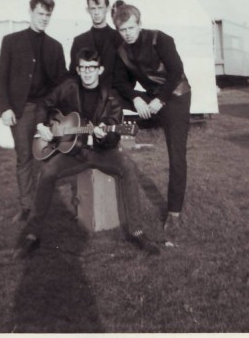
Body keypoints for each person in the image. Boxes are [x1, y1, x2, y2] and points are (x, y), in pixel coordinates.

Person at [17, 48, 160, 257]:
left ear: (99, 69)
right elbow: (44, 104)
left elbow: (114, 131)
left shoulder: (111, 98)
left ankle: (137, 231)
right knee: (47, 172)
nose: (87, 73)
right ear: (78, 69)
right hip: (73, 152)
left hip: (101, 152)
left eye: (91, 68)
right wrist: (41, 125)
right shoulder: (68, 88)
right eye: (83, 68)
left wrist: (104, 135)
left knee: (128, 167)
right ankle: (32, 235)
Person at [112, 3, 192, 243]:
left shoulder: (160, 39)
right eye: (122, 29)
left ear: (139, 24)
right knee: (111, 95)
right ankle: (110, 139)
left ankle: (174, 214)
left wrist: (160, 100)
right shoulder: (122, 51)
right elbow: (119, 82)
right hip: (151, 99)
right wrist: (136, 97)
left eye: (131, 27)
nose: (127, 33)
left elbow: (176, 71)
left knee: (176, 156)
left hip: (176, 96)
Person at [0, 0, 68, 223]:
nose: (44, 19)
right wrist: (5, 108)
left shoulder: (55, 47)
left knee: (47, 157)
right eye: (40, 14)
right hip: (21, 110)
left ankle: (43, 205)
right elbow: (0, 78)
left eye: (48, 15)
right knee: (24, 157)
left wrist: (58, 113)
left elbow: (62, 83)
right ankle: (27, 207)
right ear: (30, 12)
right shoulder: (11, 41)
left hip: (45, 111)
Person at [69, 0, 123, 87]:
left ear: (107, 8)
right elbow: (73, 74)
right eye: (93, 9)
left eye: (100, 8)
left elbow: (126, 75)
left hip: (113, 96)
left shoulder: (119, 39)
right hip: (86, 96)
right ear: (88, 10)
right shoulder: (79, 41)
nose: (96, 13)